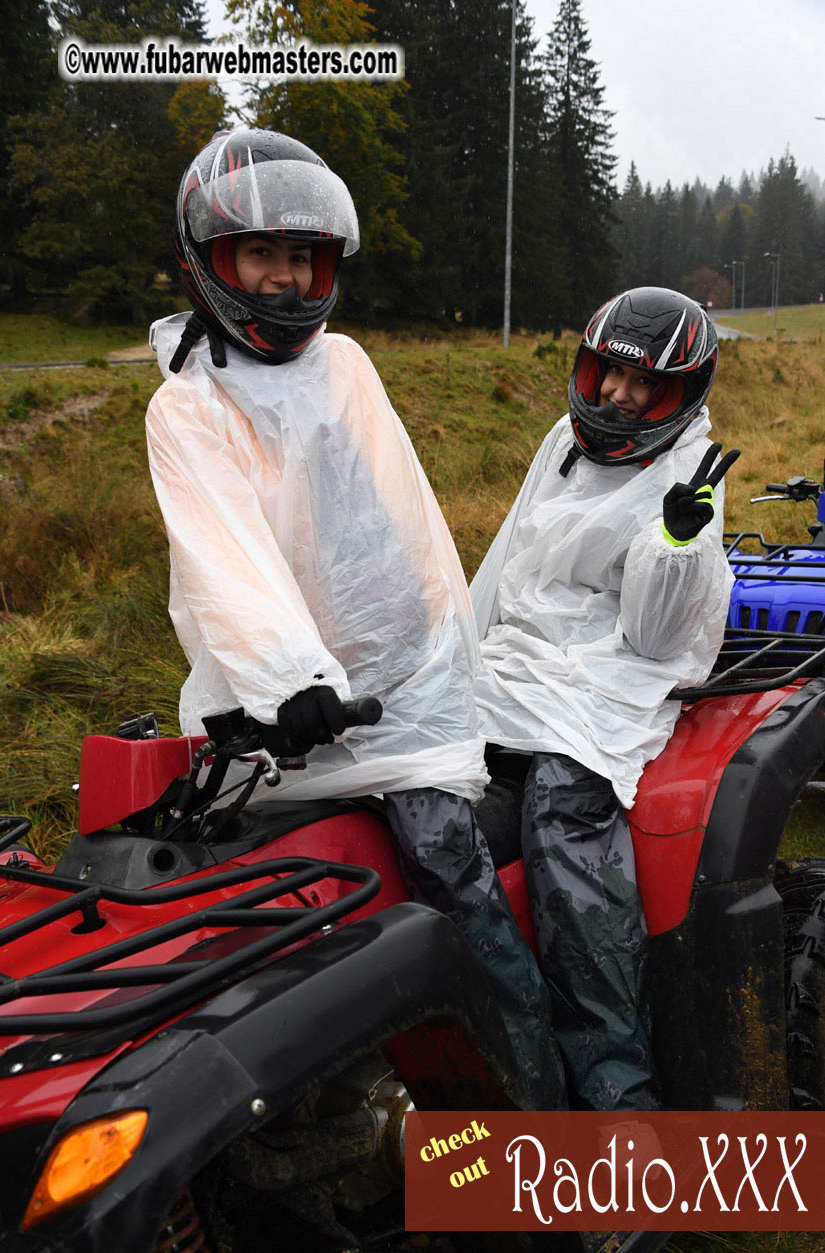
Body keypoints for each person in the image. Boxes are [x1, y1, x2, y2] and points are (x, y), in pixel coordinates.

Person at [144, 126, 565, 1109]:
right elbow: (226, 559)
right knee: (236, 906)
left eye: (303, 258)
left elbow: (397, 526)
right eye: (262, 255)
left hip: (395, 698)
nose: (286, 281)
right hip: (275, 706)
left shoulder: (346, 369)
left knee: (454, 884)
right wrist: (293, 680)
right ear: (209, 261)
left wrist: (423, 652)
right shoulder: (190, 406)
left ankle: (537, 1124)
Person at [470, 287, 737, 1112]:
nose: (617, 395)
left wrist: (675, 543)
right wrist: (447, 663)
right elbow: (507, 560)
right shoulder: (562, 440)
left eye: (641, 385)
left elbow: (656, 638)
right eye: (605, 373)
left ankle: (616, 1083)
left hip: (602, 680)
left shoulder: (687, 468)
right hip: (515, 662)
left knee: (561, 818)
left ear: (680, 395)